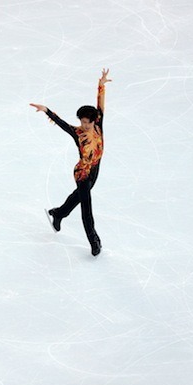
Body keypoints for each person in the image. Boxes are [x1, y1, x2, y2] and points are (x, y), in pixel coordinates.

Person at [30, 68, 111, 256]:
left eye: (87, 123)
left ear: (94, 121)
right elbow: (62, 123)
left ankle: (58, 213)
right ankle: (94, 241)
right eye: (82, 122)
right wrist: (46, 111)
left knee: (77, 198)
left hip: (95, 170)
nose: (84, 126)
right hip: (82, 173)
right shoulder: (78, 133)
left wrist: (101, 85)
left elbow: (100, 104)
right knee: (86, 207)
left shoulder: (99, 124)